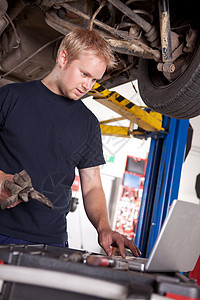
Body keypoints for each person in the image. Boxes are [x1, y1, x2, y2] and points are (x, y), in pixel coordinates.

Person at [0, 28, 141, 258]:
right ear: (63, 58)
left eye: (94, 79)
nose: (88, 86)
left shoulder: (88, 124)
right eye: (84, 74)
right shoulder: (11, 97)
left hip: (50, 241)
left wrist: (104, 227)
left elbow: (92, 184)